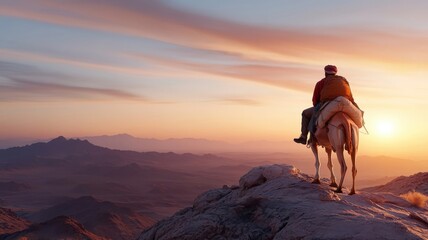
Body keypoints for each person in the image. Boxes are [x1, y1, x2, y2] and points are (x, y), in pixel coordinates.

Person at [294, 65, 355, 145]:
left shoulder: (321, 83)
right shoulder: (344, 81)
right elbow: (350, 96)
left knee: (305, 113)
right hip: (346, 103)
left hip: (328, 104)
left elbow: (315, 100)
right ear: (335, 73)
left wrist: (317, 106)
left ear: (325, 73)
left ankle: (304, 137)